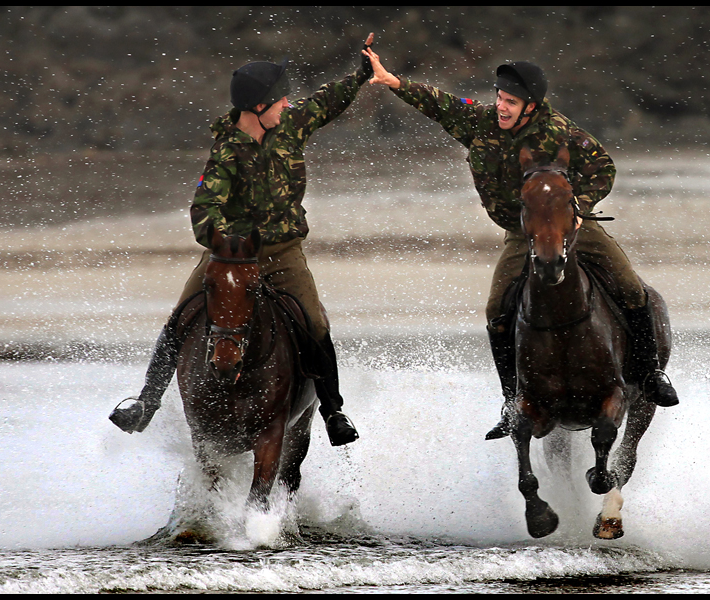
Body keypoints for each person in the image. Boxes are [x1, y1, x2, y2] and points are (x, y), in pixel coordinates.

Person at [362, 47, 679, 440]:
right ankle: (512, 400)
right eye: (499, 97)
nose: (501, 106)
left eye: (510, 101)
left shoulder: (558, 131)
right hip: (521, 231)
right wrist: (393, 81)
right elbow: (440, 103)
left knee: (631, 286)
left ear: (531, 105)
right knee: (497, 307)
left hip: (570, 223)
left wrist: (579, 208)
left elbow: (603, 166)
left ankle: (650, 375)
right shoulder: (483, 122)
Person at [109, 34, 379, 446]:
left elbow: (327, 102)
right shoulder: (225, 153)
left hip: (283, 252)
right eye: (280, 99)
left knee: (315, 320)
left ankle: (333, 411)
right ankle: (145, 402)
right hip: (231, 255)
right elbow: (203, 211)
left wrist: (361, 72)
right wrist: (228, 243)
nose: (288, 104)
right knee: (181, 316)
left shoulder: (290, 125)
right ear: (258, 107)